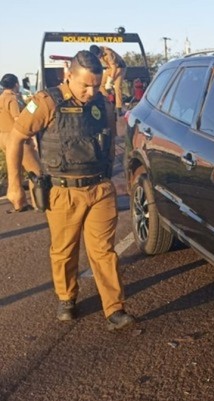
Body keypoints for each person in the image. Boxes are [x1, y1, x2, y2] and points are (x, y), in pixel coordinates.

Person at [5, 50, 135, 331]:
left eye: (95, 85)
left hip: (99, 188)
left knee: (104, 251)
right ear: (69, 76)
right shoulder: (46, 101)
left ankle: (114, 307)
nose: (90, 92)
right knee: (64, 250)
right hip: (63, 191)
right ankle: (67, 297)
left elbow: (110, 139)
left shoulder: (102, 102)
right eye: (85, 85)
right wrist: (17, 185)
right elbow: (16, 138)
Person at [0, 73, 40, 189]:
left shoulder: (1, 98)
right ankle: (38, 200)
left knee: (15, 172)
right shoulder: (12, 99)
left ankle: (18, 202)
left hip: (3, 136)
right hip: (16, 137)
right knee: (35, 171)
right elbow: (19, 119)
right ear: (16, 84)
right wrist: (32, 138)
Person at [89, 44, 127, 116]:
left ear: (100, 52)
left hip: (119, 68)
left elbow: (114, 68)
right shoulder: (96, 55)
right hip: (110, 68)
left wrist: (110, 80)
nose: (98, 57)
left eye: (98, 55)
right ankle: (107, 101)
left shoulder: (108, 53)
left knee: (117, 87)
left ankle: (119, 108)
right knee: (100, 84)